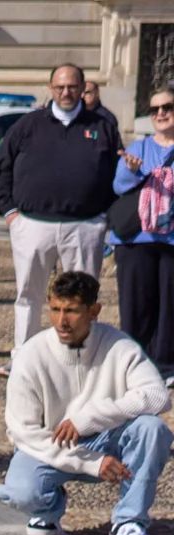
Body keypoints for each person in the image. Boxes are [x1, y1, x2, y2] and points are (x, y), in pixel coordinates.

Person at [0, 271, 169, 535]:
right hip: (53, 445)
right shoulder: (30, 355)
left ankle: (129, 522)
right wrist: (91, 463)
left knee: (152, 429)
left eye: (72, 311)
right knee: (19, 492)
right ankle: (48, 509)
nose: (62, 321)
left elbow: (157, 396)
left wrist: (88, 417)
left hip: (109, 438)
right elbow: (22, 431)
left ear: (94, 311)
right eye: (55, 309)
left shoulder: (119, 346)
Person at [0, 63, 119, 377]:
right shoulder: (27, 125)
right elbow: (2, 169)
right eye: (60, 86)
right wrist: (10, 212)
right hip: (32, 224)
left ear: (82, 88)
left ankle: (79, 357)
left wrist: (105, 217)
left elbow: (116, 176)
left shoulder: (102, 126)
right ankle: (22, 358)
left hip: (85, 225)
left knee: (82, 296)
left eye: (73, 87)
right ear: (50, 88)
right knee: (29, 294)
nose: (66, 92)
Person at [111, 86, 174, 379]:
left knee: (169, 306)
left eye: (167, 107)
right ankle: (134, 366)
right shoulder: (139, 147)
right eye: (155, 109)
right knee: (136, 304)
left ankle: (165, 366)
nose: (160, 113)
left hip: (171, 241)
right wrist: (132, 170)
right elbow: (119, 186)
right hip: (137, 239)